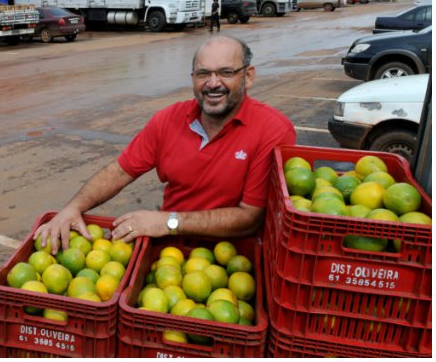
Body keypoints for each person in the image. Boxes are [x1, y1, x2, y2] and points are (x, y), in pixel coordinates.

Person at [34, 36, 295, 252]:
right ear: (193, 77)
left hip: (235, 260)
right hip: (169, 256)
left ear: (248, 77)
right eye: (203, 73)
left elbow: (249, 218)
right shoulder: (169, 120)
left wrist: (168, 221)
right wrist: (73, 208)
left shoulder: (272, 130)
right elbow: (121, 170)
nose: (213, 83)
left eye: (226, 72)